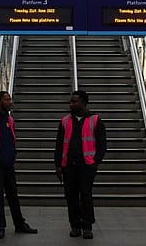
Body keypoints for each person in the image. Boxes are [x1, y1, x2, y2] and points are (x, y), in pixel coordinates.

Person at [0, 91, 38, 239]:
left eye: (10, 99)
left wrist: (12, 155)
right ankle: (0, 227)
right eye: (7, 100)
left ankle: (19, 224)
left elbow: (11, 140)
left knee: (13, 195)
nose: (10, 102)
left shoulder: (10, 120)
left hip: (8, 164)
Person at [54, 90, 107, 239]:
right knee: (71, 197)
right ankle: (75, 225)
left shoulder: (95, 120)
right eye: (70, 102)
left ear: (83, 102)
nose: (71, 104)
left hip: (86, 166)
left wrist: (95, 162)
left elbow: (102, 144)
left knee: (85, 195)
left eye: (74, 101)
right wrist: (58, 165)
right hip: (68, 165)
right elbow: (59, 145)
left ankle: (87, 225)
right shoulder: (64, 121)